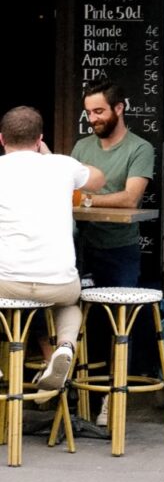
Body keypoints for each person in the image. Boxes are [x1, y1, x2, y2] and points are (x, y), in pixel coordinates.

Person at [0, 104, 107, 395]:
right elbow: (99, 179)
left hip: (7, 285)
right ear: (39, 139)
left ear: (2, 139)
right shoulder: (62, 165)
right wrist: (50, 157)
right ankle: (65, 346)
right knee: (69, 305)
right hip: (58, 284)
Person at [75, 81, 155, 292]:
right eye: (88, 113)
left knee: (119, 308)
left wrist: (85, 200)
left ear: (119, 108)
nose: (92, 119)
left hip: (119, 248)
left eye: (98, 111)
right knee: (78, 308)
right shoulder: (81, 146)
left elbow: (131, 199)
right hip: (81, 245)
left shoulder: (140, 148)